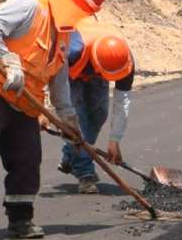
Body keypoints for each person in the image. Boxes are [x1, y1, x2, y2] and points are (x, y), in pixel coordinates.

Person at [0, 0, 106, 240]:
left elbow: (59, 85)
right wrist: (8, 61)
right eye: (83, 11)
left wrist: (69, 121)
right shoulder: (30, 6)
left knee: (27, 160)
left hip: (24, 101)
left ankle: (20, 221)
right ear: (72, 3)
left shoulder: (63, 35)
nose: (81, 18)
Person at [56, 17, 135, 194]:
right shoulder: (72, 50)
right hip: (68, 73)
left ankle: (70, 155)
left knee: (99, 115)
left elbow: (122, 101)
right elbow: (49, 73)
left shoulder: (124, 60)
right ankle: (85, 174)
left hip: (94, 66)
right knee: (78, 122)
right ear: (96, 65)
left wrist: (115, 140)